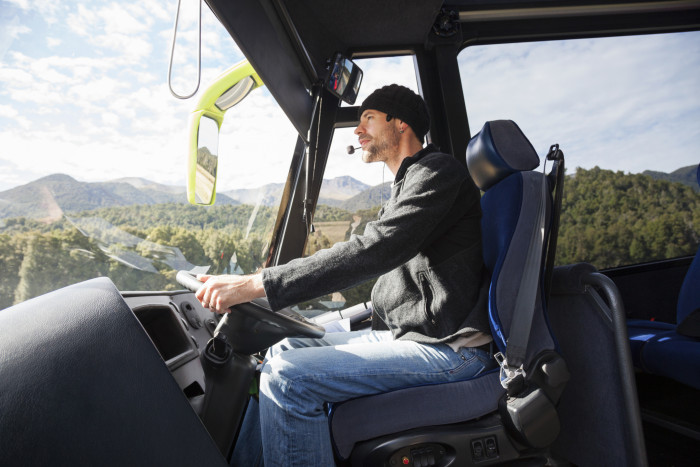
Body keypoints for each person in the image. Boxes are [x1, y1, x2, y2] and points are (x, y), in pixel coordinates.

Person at [196, 84, 494, 466]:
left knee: (288, 377)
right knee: (283, 349)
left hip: (450, 349)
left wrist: (257, 284)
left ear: (400, 123)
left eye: (368, 118)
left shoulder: (439, 173)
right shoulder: (408, 183)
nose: (357, 130)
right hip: (415, 335)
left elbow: (373, 249)